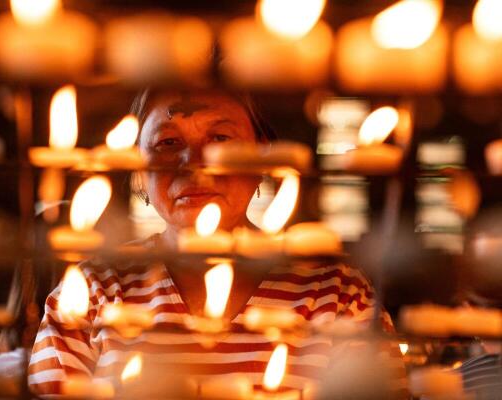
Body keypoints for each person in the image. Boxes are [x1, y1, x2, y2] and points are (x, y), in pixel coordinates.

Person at [28, 89, 406, 397]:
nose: (195, 162)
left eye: (222, 138)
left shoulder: (338, 294)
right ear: (139, 173)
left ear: (262, 160)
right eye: (167, 143)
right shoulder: (91, 290)